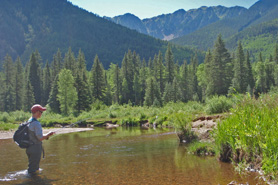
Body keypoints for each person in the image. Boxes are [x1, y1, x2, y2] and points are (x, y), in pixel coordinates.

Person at [26, 104, 55, 175]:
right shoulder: (36, 123)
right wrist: (48, 134)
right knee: (33, 170)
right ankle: (32, 181)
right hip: (35, 148)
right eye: (41, 112)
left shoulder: (29, 121)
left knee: (32, 167)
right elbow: (40, 138)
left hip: (29, 148)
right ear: (37, 112)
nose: (41, 114)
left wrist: (47, 135)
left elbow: (36, 135)